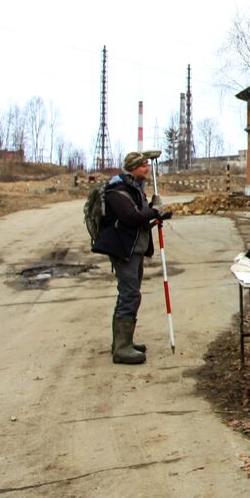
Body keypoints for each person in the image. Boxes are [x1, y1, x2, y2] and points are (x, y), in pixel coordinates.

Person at [92, 151, 171, 364]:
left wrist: (156, 216)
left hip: (134, 250)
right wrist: (154, 211)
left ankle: (123, 341)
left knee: (130, 294)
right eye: (143, 165)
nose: (147, 168)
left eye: (147, 165)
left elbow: (140, 220)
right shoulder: (117, 191)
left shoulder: (134, 189)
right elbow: (131, 217)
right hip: (124, 251)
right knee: (129, 295)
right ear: (134, 167)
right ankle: (122, 347)